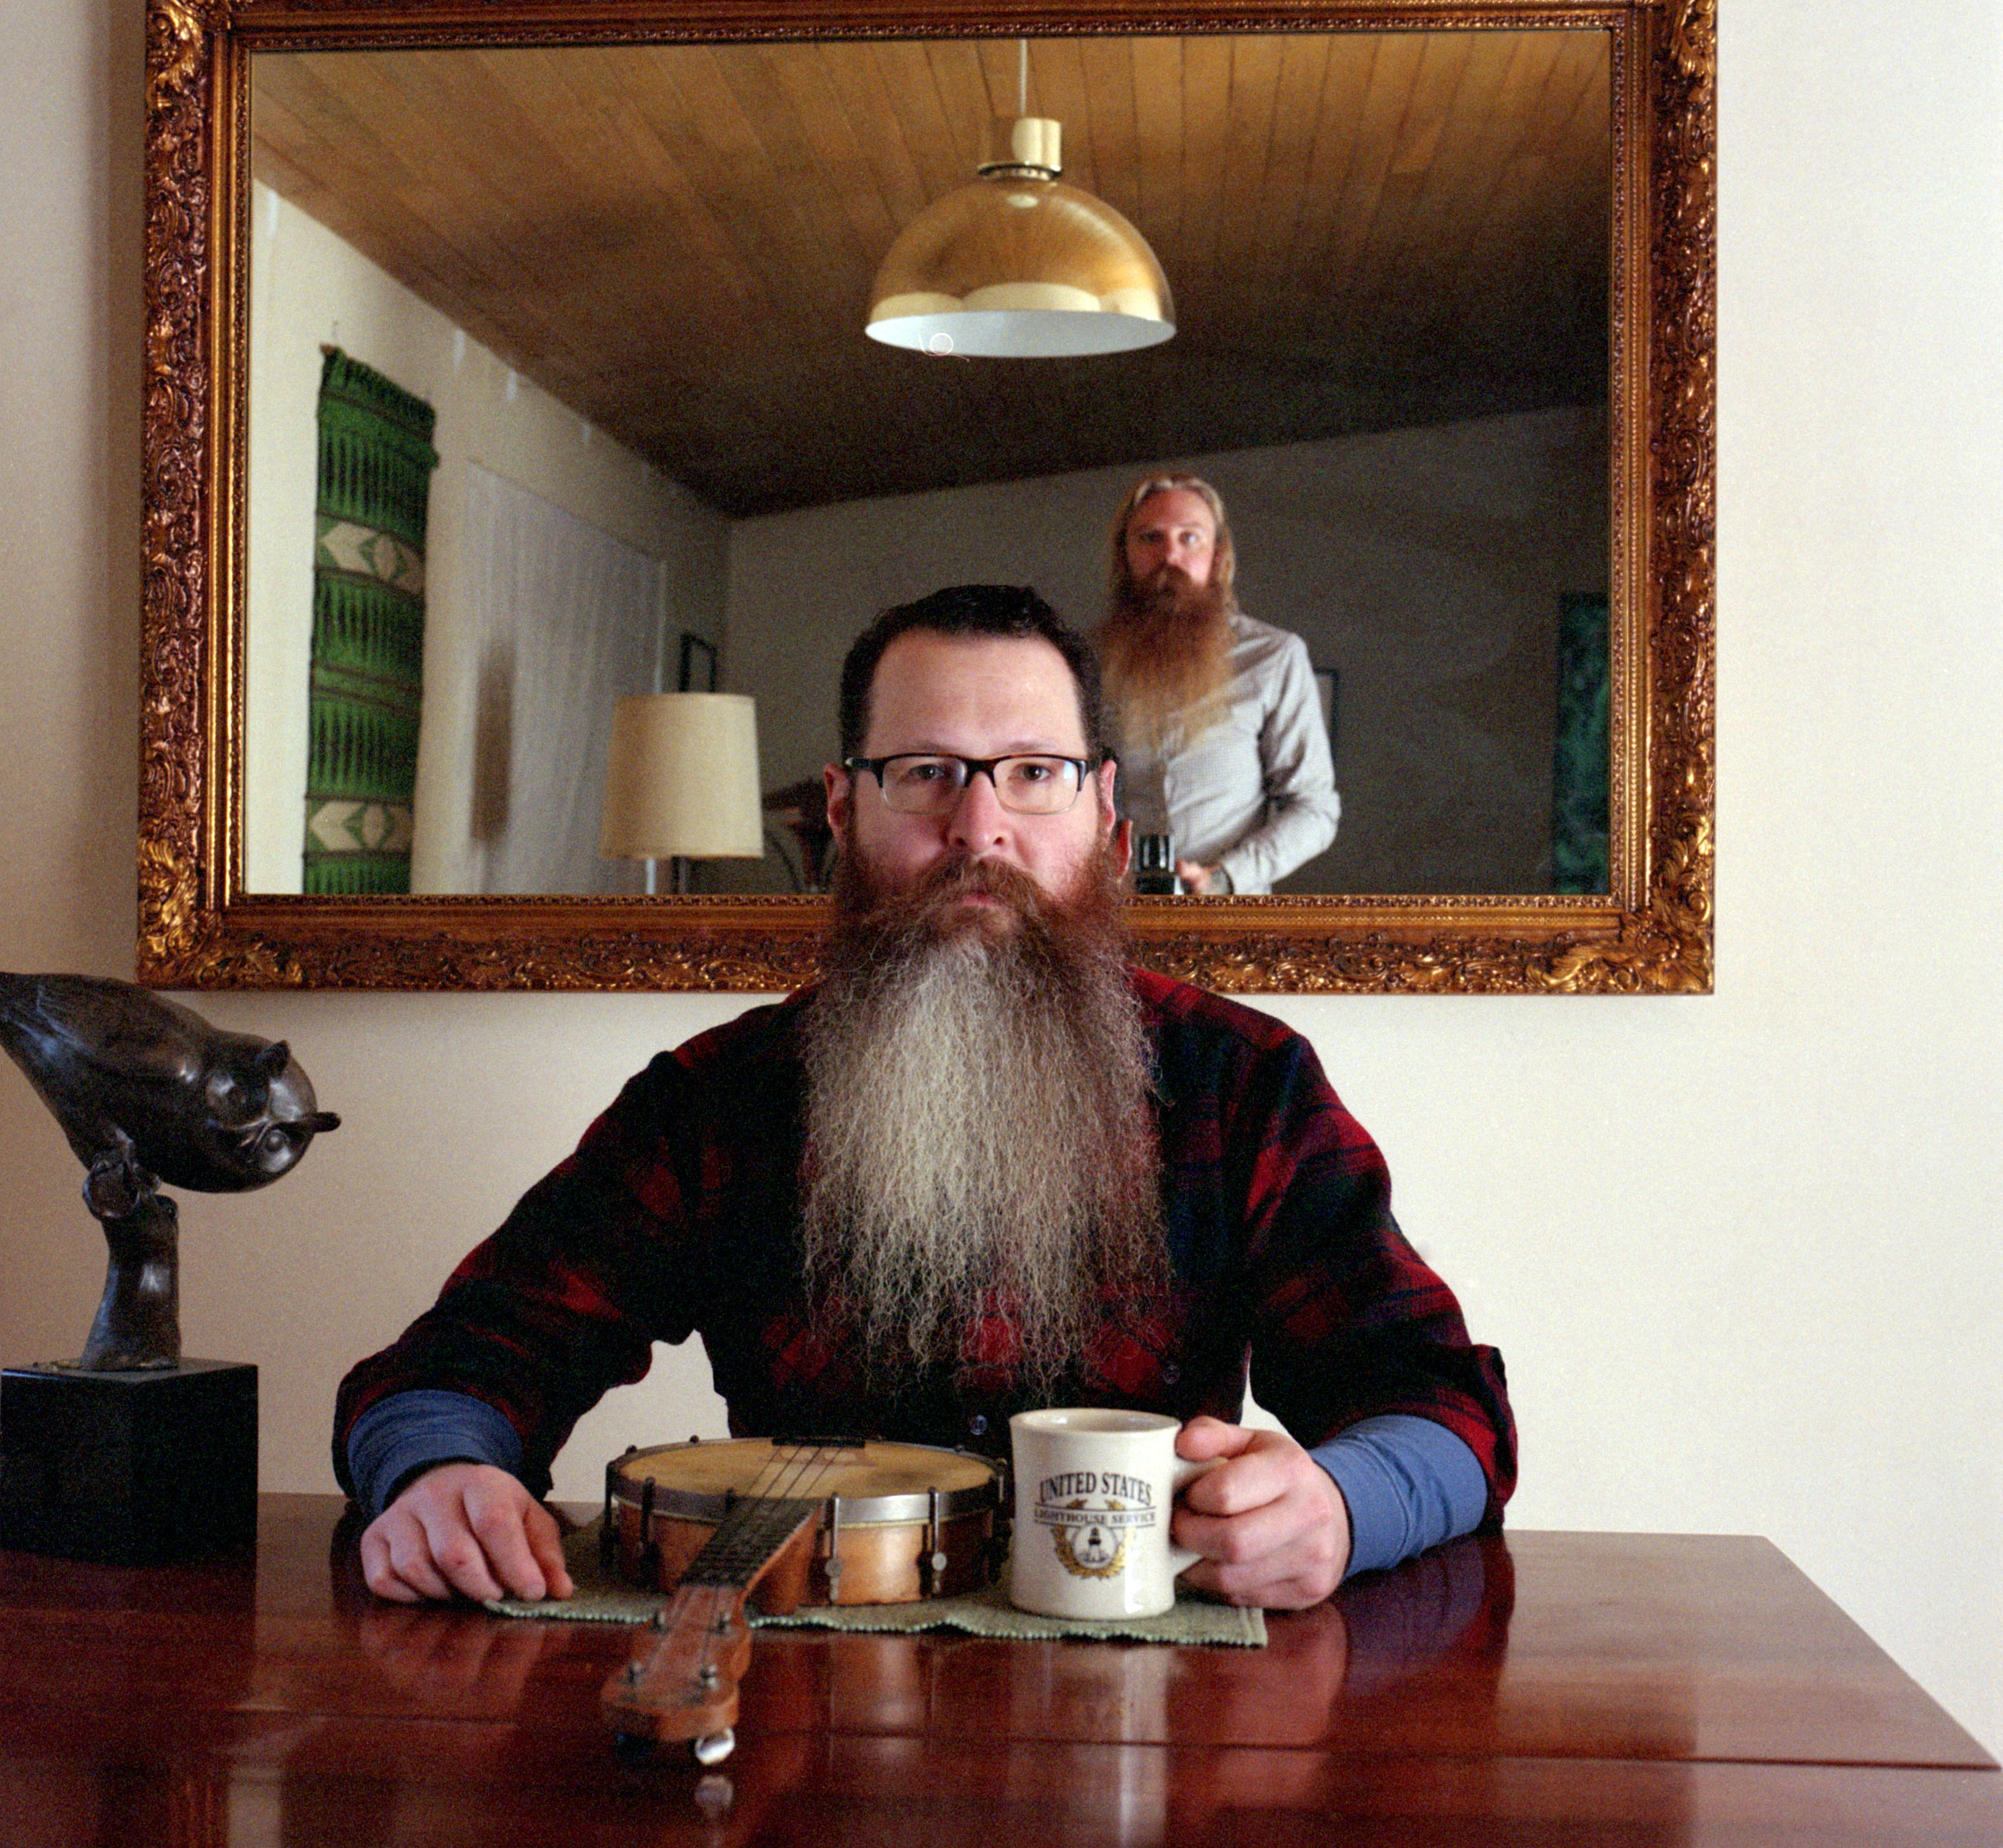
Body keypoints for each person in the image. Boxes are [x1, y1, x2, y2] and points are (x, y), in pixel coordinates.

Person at [336, 585, 1513, 1611]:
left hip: (1142, 1724)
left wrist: (1342, 1507)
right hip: (795, 1711)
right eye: (925, 774)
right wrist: (442, 1476)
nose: (978, 828)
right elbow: (465, 1360)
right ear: (842, 810)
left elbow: (1443, 1409)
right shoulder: (714, 1100)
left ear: (1105, 814)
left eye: (1034, 774)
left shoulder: (1244, 1086)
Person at [1096, 474, 1339, 895]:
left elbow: (1314, 808)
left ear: (1217, 555)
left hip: (1228, 916)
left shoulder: (1273, 657)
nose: (1169, 555)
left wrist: (1224, 878)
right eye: (1150, 537)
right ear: (1125, 555)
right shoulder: (1085, 662)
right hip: (1111, 914)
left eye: (1189, 538)